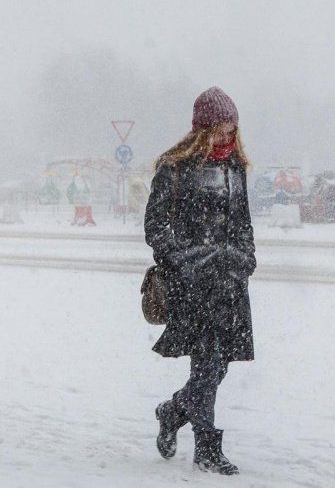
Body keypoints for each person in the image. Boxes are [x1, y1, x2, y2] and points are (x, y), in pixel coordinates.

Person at [144, 86, 256, 475]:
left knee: (219, 364)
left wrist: (246, 260)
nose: (227, 138)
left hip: (230, 283)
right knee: (206, 365)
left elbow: (243, 224)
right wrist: (184, 262)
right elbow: (156, 228)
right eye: (221, 131)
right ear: (202, 130)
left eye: (232, 131)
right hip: (192, 285)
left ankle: (172, 412)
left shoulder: (235, 168)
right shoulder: (174, 168)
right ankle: (207, 450)